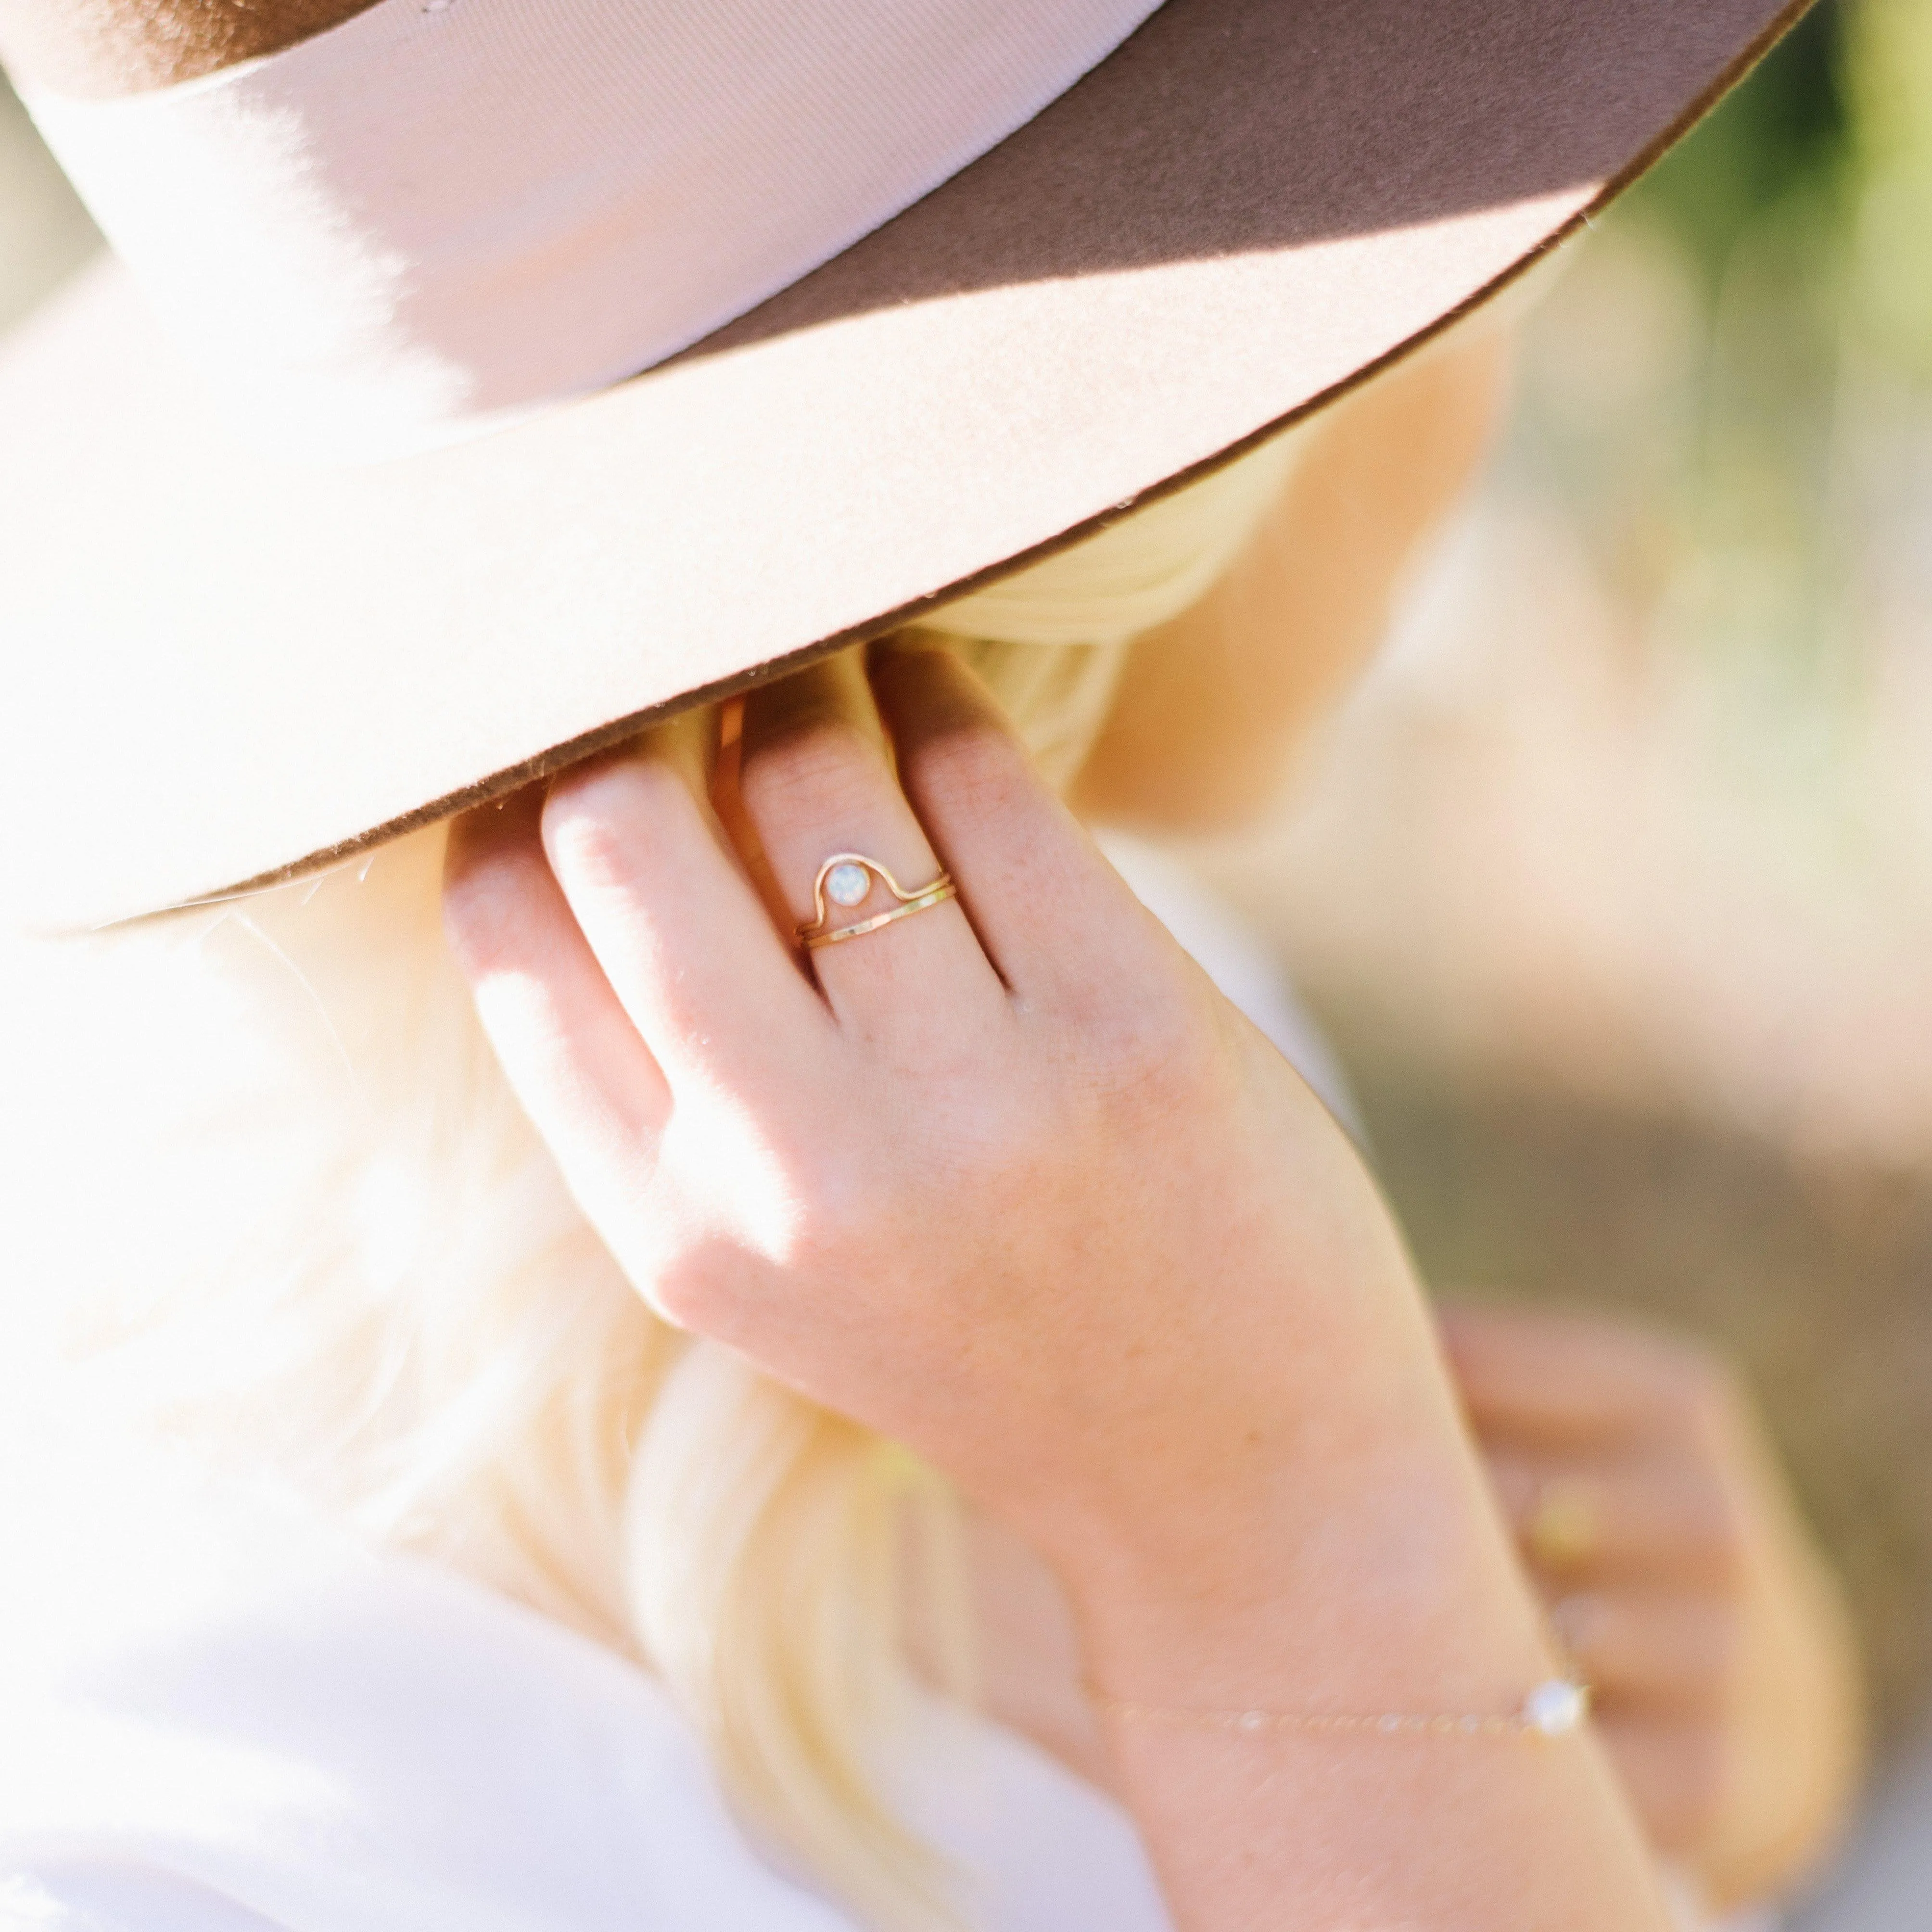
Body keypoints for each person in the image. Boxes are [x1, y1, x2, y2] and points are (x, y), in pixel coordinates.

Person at [0, 1, 1856, 1928]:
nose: (1532, 307)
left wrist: (1623, 1773)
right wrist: (1318, 1570)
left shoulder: (1049, 1019)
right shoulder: (162, 1850)